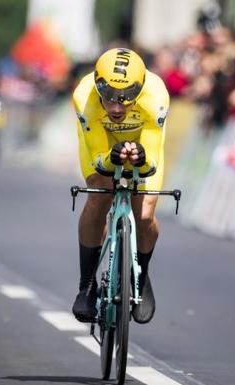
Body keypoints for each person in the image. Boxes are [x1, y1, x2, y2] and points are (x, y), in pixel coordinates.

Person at [71, 48, 169, 324]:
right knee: (99, 197)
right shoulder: (84, 96)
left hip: (142, 143)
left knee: (145, 213)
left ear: (139, 89)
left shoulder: (156, 95)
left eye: (126, 99)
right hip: (101, 143)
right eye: (109, 97)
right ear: (98, 84)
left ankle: (141, 273)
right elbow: (98, 153)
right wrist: (109, 159)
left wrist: (141, 157)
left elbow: (151, 157)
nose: (116, 107)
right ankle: (87, 286)